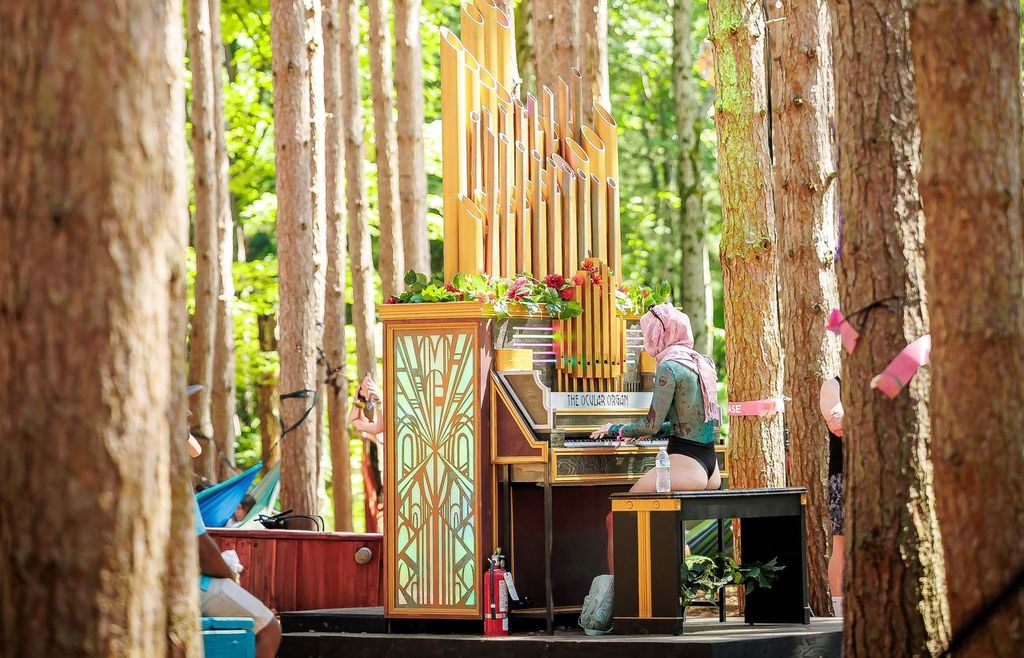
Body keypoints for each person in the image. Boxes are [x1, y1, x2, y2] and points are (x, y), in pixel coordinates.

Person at [591, 304, 722, 572]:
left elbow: (650, 425)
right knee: (666, 524)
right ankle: (667, 595)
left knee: (615, 519)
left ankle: (621, 600)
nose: (646, 340)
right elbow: (684, 422)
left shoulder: (670, 367)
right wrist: (635, 432)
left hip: (686, 465)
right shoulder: (701, 362)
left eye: (647, 333)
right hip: (710, 468)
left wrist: (617, 429)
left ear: (660, 334)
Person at [187, 386, 281, 657]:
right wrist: (229, 575)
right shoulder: (174, 476)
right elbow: (202, 550)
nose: (190, 412)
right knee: (269, 629)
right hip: (187, 583)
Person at [819, 376, 844, 616]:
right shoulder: (833, 385)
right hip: (844, 476)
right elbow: (838, 425)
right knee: (842, 545)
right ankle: (841, 613)